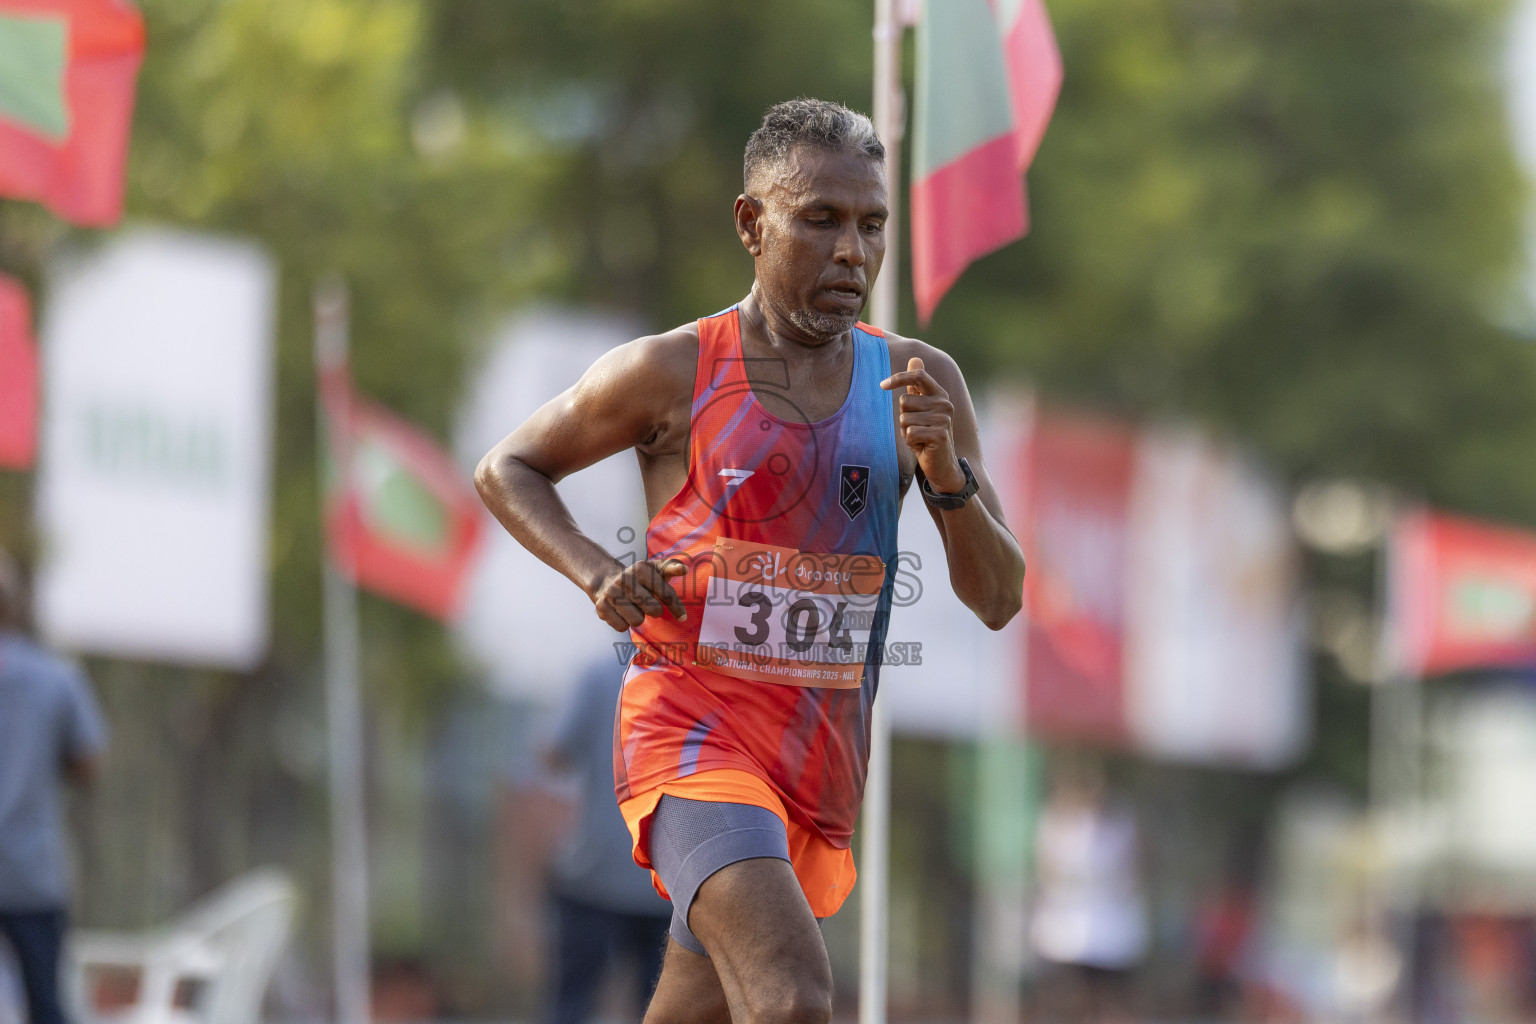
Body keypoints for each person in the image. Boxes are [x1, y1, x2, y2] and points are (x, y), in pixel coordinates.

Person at [475, 98, 1026, 1022]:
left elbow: (1000, 597)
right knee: (794, 998)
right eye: (821, 220)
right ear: (751, 223)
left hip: (816, 764)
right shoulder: (672, 370)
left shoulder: (920, 383)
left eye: (871, 223)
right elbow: (508, 467)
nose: (852, 251)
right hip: (690, 738)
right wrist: (596, 573)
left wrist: (943, 472)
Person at [0, 551, 107, 1024]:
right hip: (32, 872)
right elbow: (88, 764)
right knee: (46, 1003)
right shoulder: (56, 678)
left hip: (34, 874)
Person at [541, 661, 672, 1023]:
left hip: (592, 872)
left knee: (570, 1005)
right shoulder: (695, 677)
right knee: (664, 1011)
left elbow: (554, 753)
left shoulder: (597, 675)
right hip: (667, 879)